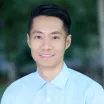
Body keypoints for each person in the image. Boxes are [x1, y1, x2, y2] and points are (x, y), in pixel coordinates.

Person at [1, 3, 104, 104]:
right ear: (29, 41)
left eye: (55, 37)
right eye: (38, 37)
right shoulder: (13, 94)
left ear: (67, 42)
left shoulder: (91, 93)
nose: (46, 46)